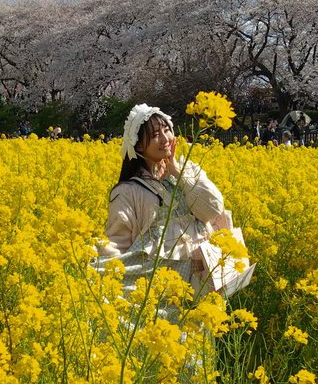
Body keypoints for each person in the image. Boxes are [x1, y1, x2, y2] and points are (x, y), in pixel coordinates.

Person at [98, 104, 246, 297]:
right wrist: (110, 282)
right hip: (160, 294)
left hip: (200, 284)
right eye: (155, 135)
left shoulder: (188, 170)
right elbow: (118, 243)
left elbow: (213, 210)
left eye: (166, 130)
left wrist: (178, 172)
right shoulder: (128, 191)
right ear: (139, 145)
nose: (165, 139)